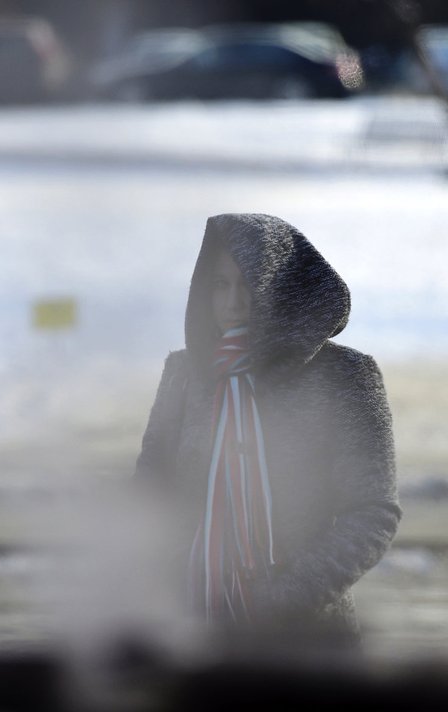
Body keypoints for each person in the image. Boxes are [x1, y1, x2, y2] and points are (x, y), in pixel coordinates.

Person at [134, 213, 400, 644]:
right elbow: (147, 496)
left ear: (281, 287)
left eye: (249, 284)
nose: (234, 302)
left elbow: (372, 514)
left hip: (302, 638)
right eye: (220, 285)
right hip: (192, 631)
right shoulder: (185, 374)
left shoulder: (344, 375)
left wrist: (278, 602)